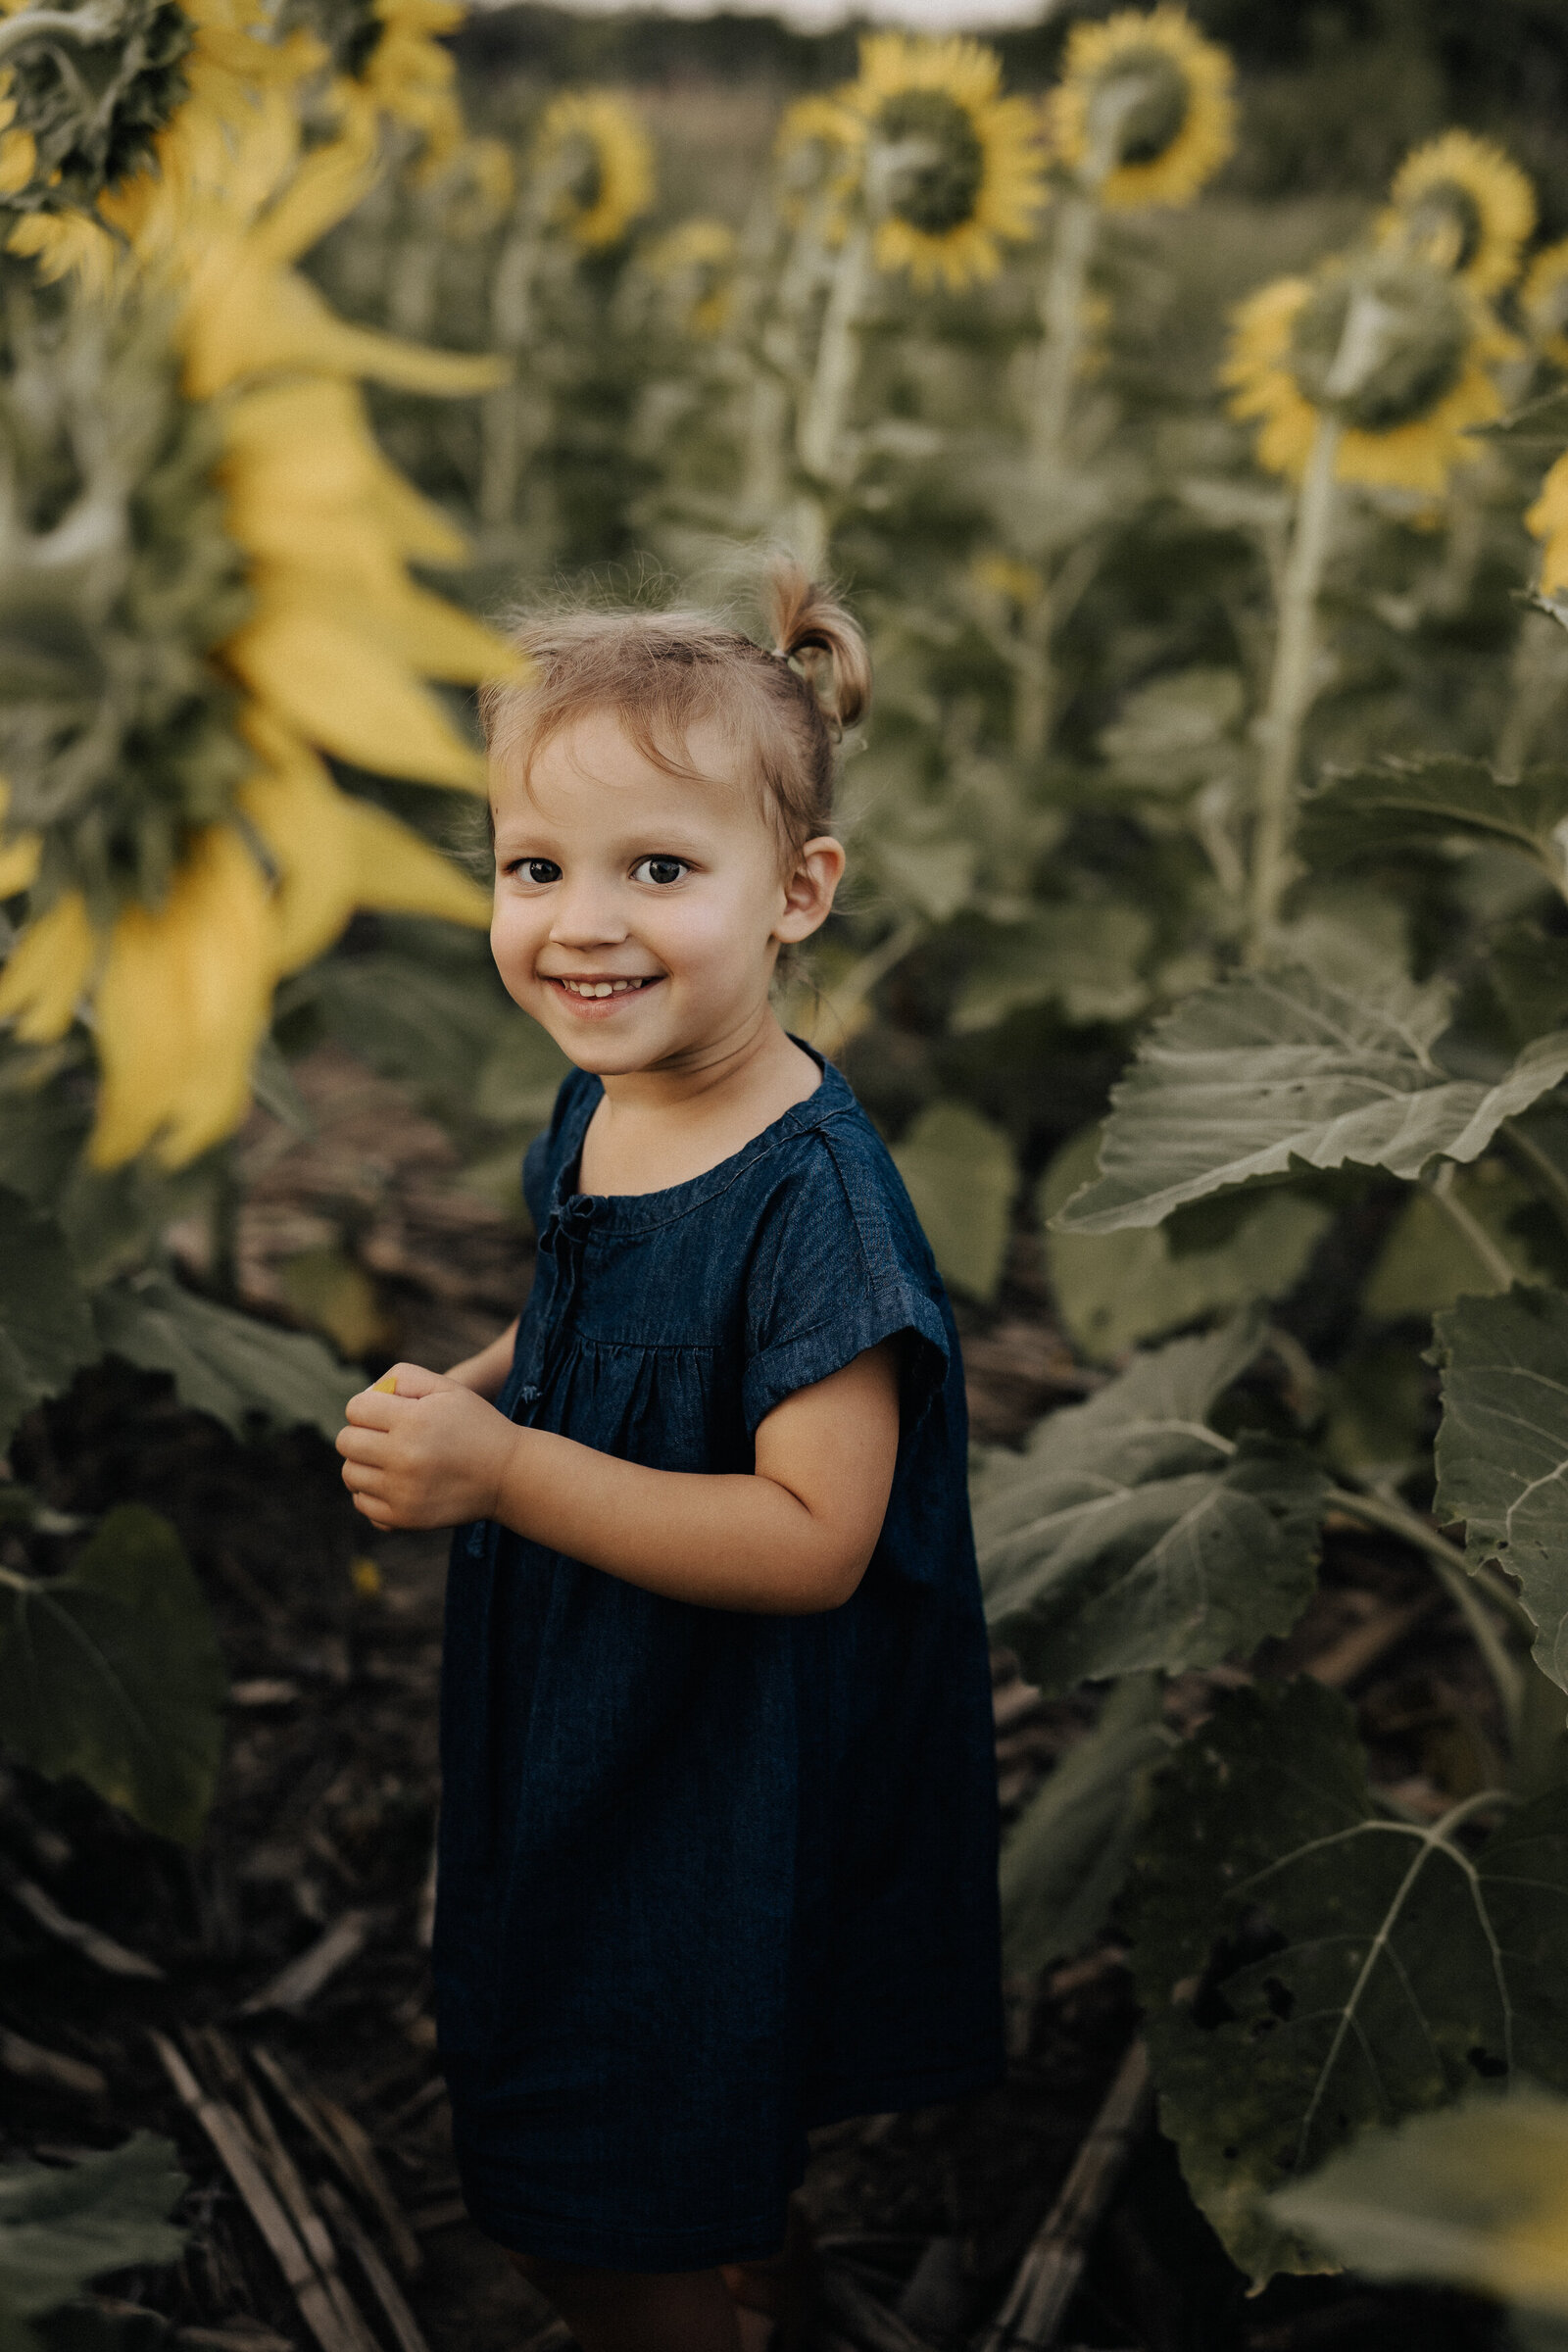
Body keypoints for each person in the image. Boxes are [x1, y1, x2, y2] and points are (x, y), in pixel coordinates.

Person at [335, 564, 1004, 2352]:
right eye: (533, 868)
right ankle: (750, 2257)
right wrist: (473, 1387)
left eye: (657, 870)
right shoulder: (607, 1096)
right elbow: (589, 1328)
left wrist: (502, 1475)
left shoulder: (812, 1201)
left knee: (593, 2181)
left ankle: (673, 2295)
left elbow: (813, 1539)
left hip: (721, 1762)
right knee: (666, 2078)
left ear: (800, 896)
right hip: (607, 1706)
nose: (581, 925)